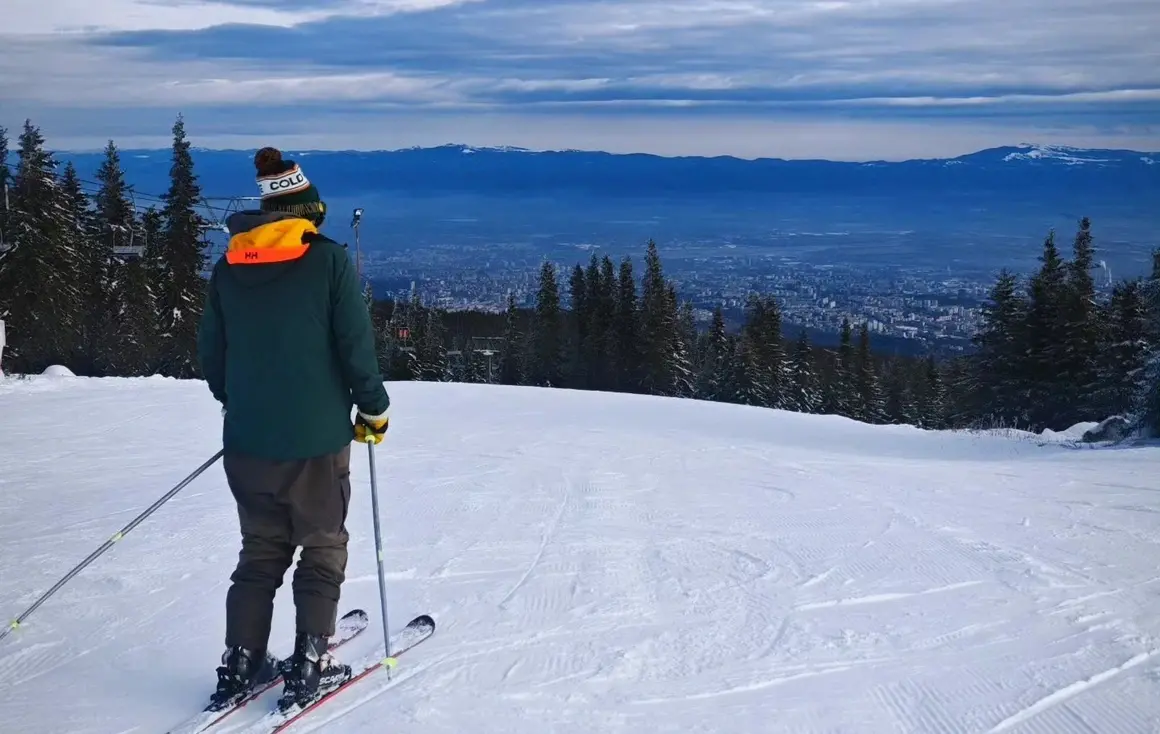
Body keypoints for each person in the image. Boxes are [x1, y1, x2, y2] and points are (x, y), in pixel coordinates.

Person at [196, 147, 391, 711]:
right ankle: (310, 661)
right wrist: (372, 411)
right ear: (306, 213)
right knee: (323, 545)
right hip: (315, 444)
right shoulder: (328, 263)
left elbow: (213, 355)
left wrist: (243, 402)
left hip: (248, 443)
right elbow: (356, 347)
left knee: (260, 551)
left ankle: (240, 662)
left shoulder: (228, 267)